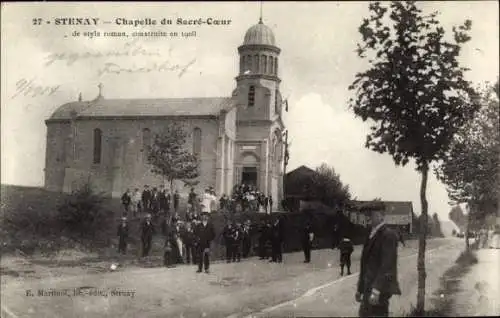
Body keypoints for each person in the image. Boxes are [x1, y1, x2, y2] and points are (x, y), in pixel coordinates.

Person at [356, 207, 401, 317]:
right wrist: (360, 289)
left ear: (381, 216)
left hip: (379, 290)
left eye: (371, 214)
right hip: (368, 288)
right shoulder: (371, 233)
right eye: (366, 215)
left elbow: (387, 265)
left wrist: (376, 290)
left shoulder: (388, 235)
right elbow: (365, 264)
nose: (367, 217)